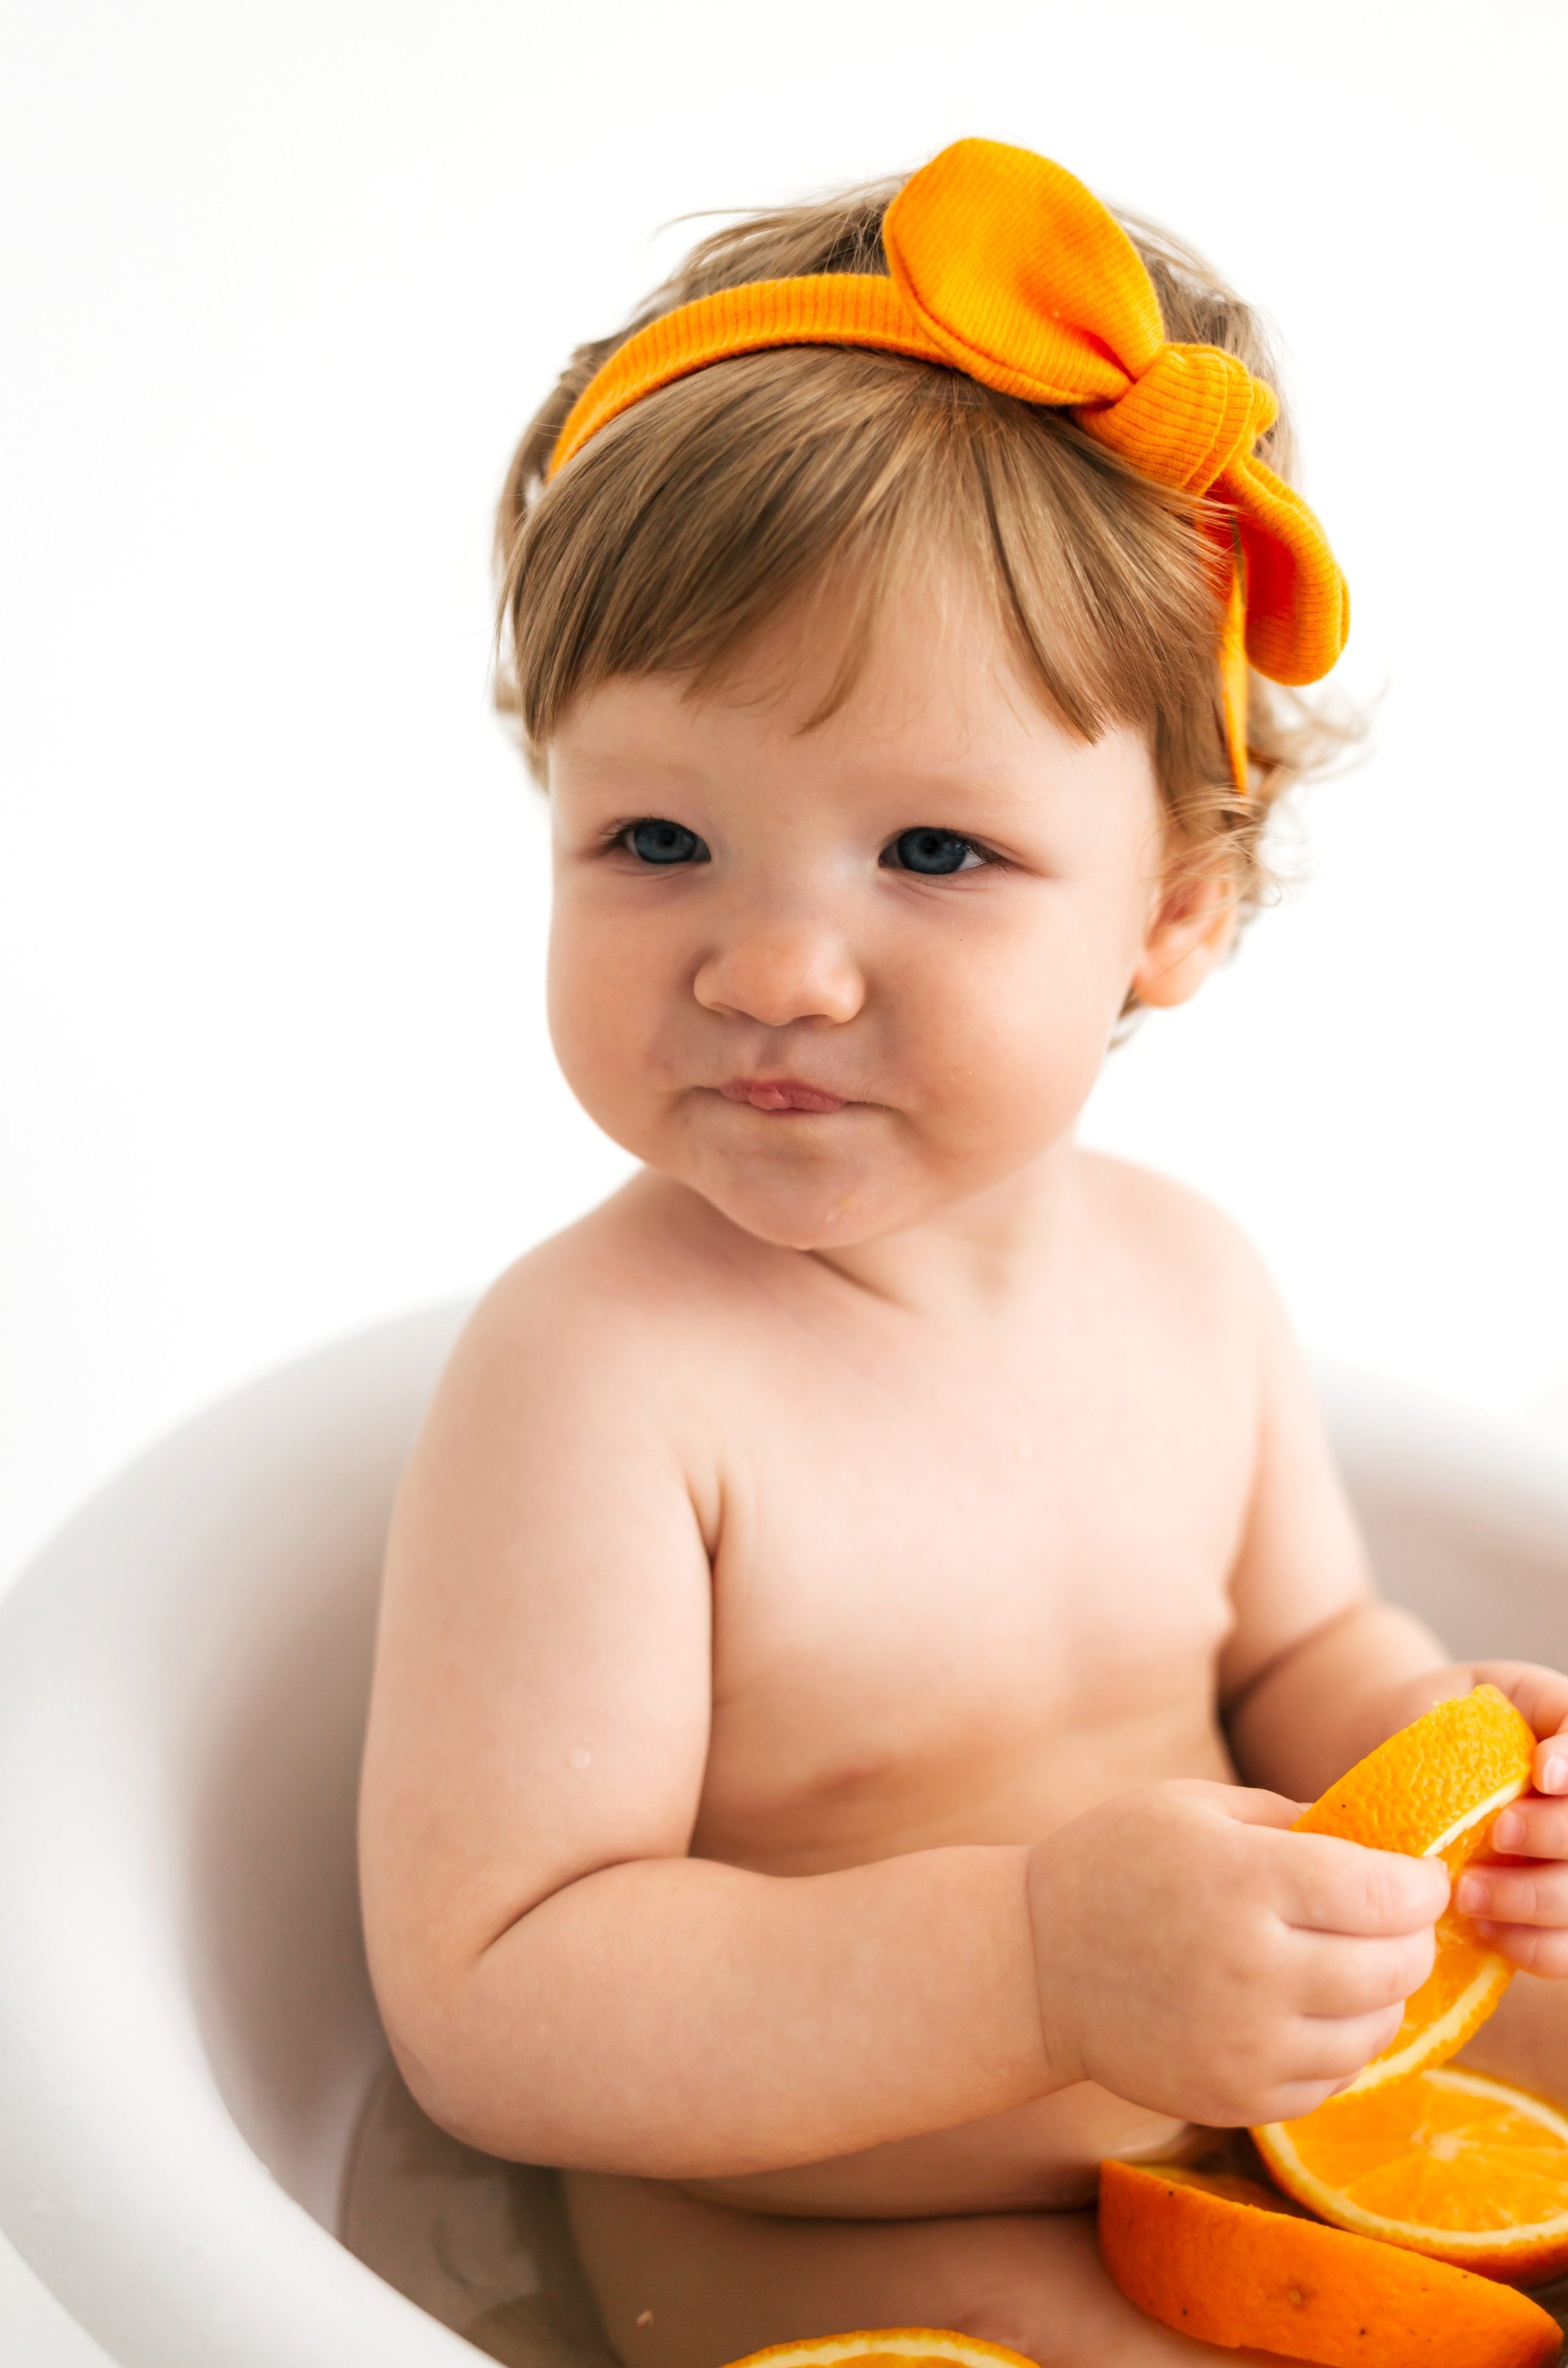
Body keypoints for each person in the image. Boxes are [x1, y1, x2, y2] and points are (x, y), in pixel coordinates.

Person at [358, 139, 1568, 2367]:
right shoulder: (600, 1379)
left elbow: (1306, 1653)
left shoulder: (1194, 1287)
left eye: (932, 849)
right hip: (841, 2244)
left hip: (1280, 2135)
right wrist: (1028, 1965)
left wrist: (1458, 1772)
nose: (773, 969)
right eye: (656, 835)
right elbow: (496, 2000)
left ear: (1177, 906)